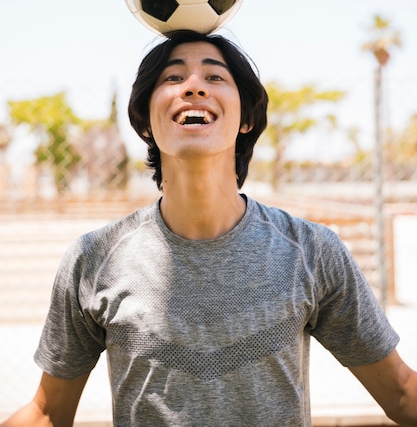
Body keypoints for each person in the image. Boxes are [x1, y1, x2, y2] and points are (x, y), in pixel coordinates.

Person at [2, 29, 417, 427]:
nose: (194, 86)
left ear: (246, 119)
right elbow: (48, 413)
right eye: (173, 77)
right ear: (146, 122)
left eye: (215, 76)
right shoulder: (93, 260)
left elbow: (400, 393)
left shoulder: (311, 251)